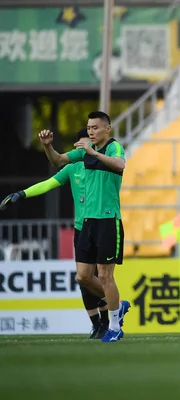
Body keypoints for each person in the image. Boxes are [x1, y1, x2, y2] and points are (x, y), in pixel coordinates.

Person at [1, 129, 109, 339]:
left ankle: (108, 320)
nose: (83, 149)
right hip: (81, 230)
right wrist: (22, 194)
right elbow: (48, 184)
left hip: (101, 227)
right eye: (79, 146)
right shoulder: (73, 168)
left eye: (87, 145)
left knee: (94, 277)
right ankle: (97, 323)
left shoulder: (104, 167)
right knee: (84, 280)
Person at [38, 111, 130, 343]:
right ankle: (118, 306)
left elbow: (120, 165)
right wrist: (48, 147)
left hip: (108, 220)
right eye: (89, 128)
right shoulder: (83, 152)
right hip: (88, 222)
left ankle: (114, 326)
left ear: (107, 129)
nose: (91, 131)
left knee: (106, 276)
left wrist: (91, 152)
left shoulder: (113, 148)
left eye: (95, 128)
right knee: (83, 276)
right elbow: (57, 160)